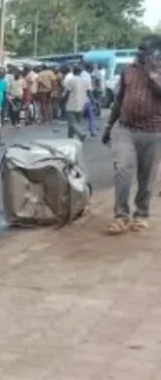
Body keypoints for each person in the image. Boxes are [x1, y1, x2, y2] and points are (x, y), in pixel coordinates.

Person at [102, 36, 161, 234]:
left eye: (145, 52)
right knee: (123, 171)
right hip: (125, 128)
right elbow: (119, 100)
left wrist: (153, 74)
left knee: (146, 177)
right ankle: (121, 216)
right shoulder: (128, 71)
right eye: (139, 51)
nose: (140, 55)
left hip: (153, 132)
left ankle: (141, 214)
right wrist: (109, 126)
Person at [62, 64, 90, 142]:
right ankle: (70, 138)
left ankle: (81, 134)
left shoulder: (70, 81)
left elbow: (67, 93)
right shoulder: (85, 81)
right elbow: (88, 92)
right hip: (82, 103)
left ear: (73, 71)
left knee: (72, 123)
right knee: (76, 122)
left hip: (71, 103)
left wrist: (63, 101)